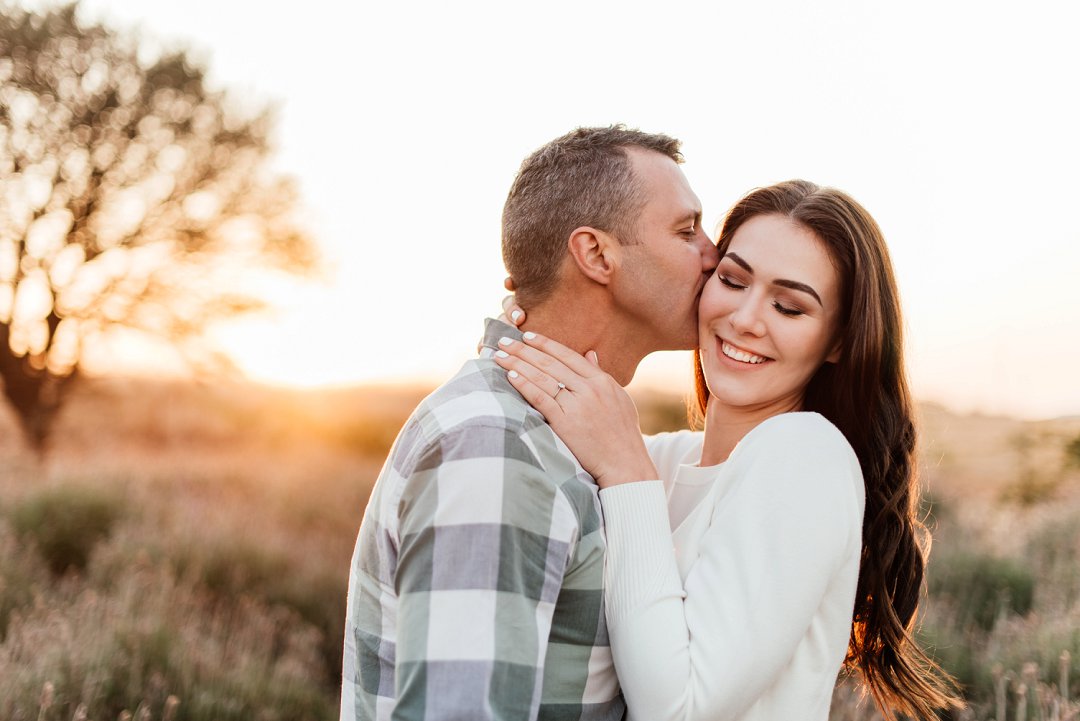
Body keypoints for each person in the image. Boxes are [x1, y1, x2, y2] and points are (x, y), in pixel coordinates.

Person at [492, 180, 961, 720]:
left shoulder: (806, 456)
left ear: (837, 341)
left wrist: (626, 473)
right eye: (732, 280)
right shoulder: (660, 461)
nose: (744, 319)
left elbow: (682, 710)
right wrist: (543, 319)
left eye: (788, 307)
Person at [340, 125, 719, 721]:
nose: (713, 255)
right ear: (597, 254)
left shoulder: (562, 432)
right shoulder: (494, 448)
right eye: (686, 230)